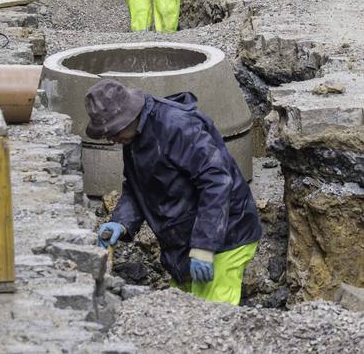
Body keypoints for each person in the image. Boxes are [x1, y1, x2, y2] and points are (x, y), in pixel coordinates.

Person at [86, 78, 261, 305]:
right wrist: (122, 222)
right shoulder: (133, 137)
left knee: (210, 321)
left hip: (226, 236)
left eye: (113, 131)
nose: (111, 140)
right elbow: (137, 185)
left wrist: (204, 247)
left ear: (130, 115)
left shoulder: (178, 127)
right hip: (183, 243)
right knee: (177, 315)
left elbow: (217, 181)